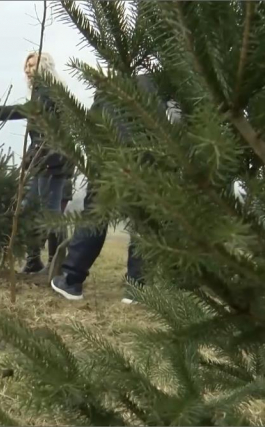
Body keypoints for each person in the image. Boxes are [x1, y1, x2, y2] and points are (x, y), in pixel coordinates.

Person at [51, 73, 175, 302]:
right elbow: (176, 119)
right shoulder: (159, 83)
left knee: (96, 213)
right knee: (145, 219)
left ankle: (71, 279)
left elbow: (91, 124)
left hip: (106, 156)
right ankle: (137, 287)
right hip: (145, 156)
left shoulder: (108, 85)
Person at [0, 52, 72, 274]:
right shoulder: (40, 92)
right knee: (27, 207)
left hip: (52, 160)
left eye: (32, 65)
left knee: (51, 213)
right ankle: (33, 260)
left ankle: (56, 264)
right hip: (38, 158)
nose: (28, 70)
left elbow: (27, 112)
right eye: (26, 66)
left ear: (45, 66)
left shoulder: (50, 92)